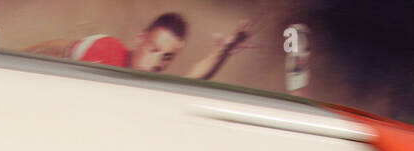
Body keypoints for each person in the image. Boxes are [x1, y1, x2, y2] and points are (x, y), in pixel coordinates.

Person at [25, 13, 252, 80]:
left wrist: (221, 53)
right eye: (153, 49)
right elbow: (61, 47)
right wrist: (23, 56)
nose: (156, 63)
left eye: (167, 57)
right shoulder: (106, 48)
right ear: (139, 39)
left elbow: (194, 79)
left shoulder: (152, 84)